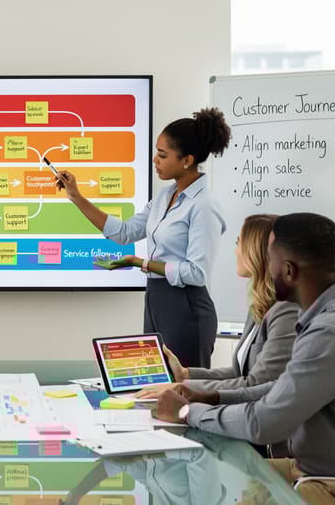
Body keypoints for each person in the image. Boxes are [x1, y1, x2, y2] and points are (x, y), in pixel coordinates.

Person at [155, 213, 335, 505]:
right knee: (218, 471)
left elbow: (264, 423)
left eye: (270, 259)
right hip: (326, 475)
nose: (266, 268)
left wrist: (187, 412)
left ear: (288, 270)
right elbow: (282, 390)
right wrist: (212, 397)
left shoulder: (331, 332)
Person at [57, 108, 230, 367]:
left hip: (186, 307)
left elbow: (197, 273)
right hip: (155, 301)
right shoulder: (164, 196)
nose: (154, 160)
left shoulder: (204, 205)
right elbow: (124, 233)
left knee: (182, 387)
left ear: (186, 160)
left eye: (163, 155)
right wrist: (76, 197)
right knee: (155, 382)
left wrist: (141, 263)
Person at [137, 214, 298, 397]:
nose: (235, 251)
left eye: (238, 243)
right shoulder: (260, 305)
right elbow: (240, 373)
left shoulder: (286, 311)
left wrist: (185, 389)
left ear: (255, 251)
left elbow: (257, 384)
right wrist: (185, 375)